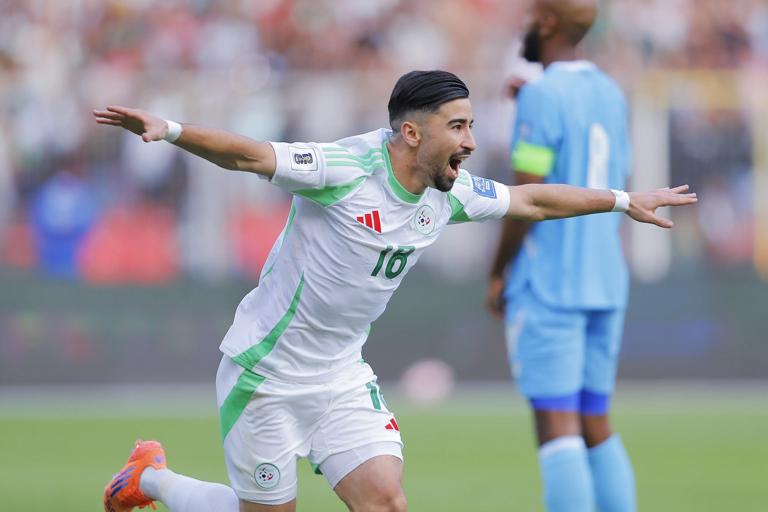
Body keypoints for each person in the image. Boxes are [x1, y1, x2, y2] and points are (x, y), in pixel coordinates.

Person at [95, 70, 695, 512]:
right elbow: (250, 157)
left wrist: (621, 199)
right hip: (266, 373)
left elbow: (531, 199)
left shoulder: (449, 192)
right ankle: (151, 478)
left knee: (386, 503)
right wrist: (169, 129)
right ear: (411, 132)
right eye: (457, 126)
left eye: (471, 126)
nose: (470, 141)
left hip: (340, 375)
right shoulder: (345, 168)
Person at [486, 1, 639, 511]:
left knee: (556, 422)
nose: (525, 23)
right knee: (596, 418)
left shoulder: (543, 97)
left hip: (552, 280)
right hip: (606, 279)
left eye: (531, 14)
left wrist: (498, 271)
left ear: (548, 23)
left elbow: (526, 198)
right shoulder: (610, 92)